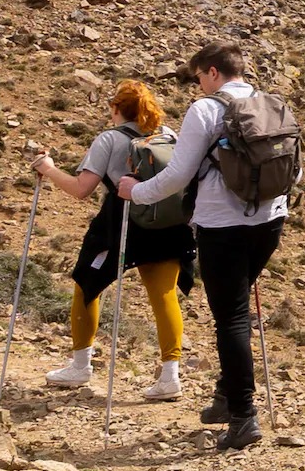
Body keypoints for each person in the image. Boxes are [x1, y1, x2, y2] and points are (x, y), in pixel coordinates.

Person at [118, 42, 290, 452]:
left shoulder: (207, 109)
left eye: (198, 77)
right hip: (270, 221)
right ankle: (225, 397)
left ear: (212, 72)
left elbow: (178, 174)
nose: (197, 86)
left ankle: (243, 417)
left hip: (221, 226)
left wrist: (137, 192)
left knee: (229, 318)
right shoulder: (273, 103)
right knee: (237, 306)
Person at [32, 80, 194, 400]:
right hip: (168, 223)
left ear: (116, 108)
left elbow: (82, 189)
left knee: (87, 285)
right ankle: (170, 376)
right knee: (164, 296)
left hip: (120, 223)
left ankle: (80, 366)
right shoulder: (169, 134)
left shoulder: (109, 139)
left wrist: (48, 170)